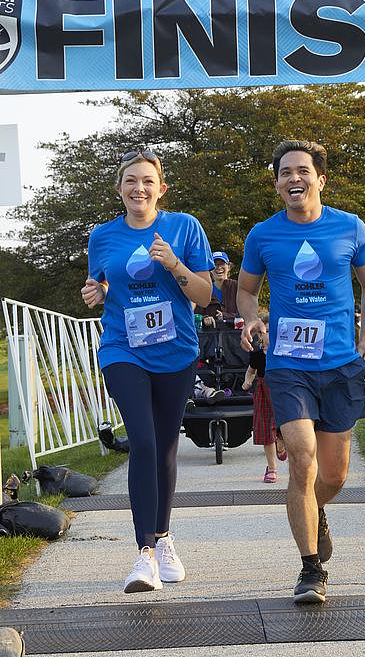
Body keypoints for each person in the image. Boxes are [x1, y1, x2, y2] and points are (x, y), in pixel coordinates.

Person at [237, 139, 365, 604]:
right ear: (277, 183)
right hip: (287, 366)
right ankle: (310, 569)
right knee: (302, 458)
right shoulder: (262, 235)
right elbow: (245, 290)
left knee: (334, 476)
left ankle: (316, 510)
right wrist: (253, 316)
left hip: (340, 365)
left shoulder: (350, 227)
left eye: (302, 171)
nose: (293, 178)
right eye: (285, 172)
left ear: (321, 179)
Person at [81, 149, 213, 593]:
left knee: (165, 448)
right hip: (123, 348)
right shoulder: (101, 236)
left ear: (162, 189)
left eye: (147, 181)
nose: (139, 188)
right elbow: (101, 279)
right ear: (119, 189)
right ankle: (143, 555)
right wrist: (96, 290)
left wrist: (174, 264)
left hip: (175, 350)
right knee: (141, 440)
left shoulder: (184, 227)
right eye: (131, 181)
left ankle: (164, 539)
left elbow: (207, 293)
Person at [242, 314, 287, 483]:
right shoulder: (257, 355)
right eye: (264, 331)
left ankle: (281, 442)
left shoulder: (282, 352)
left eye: (271, 330)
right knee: (266, 429)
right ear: (260, 336)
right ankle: (272, 467)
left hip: (281, 390)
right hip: (263, 391)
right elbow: (251, 370)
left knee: (284, 426)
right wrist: (247, 381)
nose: (267, 334)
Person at [195, 251, 239, 327]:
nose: (218, 267)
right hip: (211, 336)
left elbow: (245, 313)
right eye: (215, 264)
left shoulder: (237, 287)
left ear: (228, 267)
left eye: (222, 263)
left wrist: (225, 316)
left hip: (235, 336)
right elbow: (196, 315)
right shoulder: (204, 289)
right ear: (210, 268)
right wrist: (205, 318)